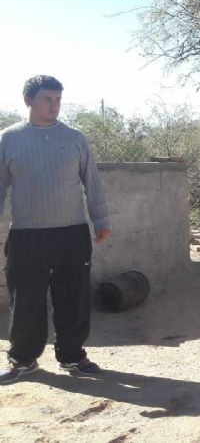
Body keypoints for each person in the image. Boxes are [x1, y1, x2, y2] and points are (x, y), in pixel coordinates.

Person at [0, 75, 111, 384]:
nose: (54, 106)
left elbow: (92, 182)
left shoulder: (74, 138)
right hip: (27, 234)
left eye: (58, 100)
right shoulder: (8, 139)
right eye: (47, 99)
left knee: (73, 296)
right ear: (28, 100)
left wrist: (101, 220)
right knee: (26, 300)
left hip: (71, 233)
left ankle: (73, 355)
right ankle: (23, 360)